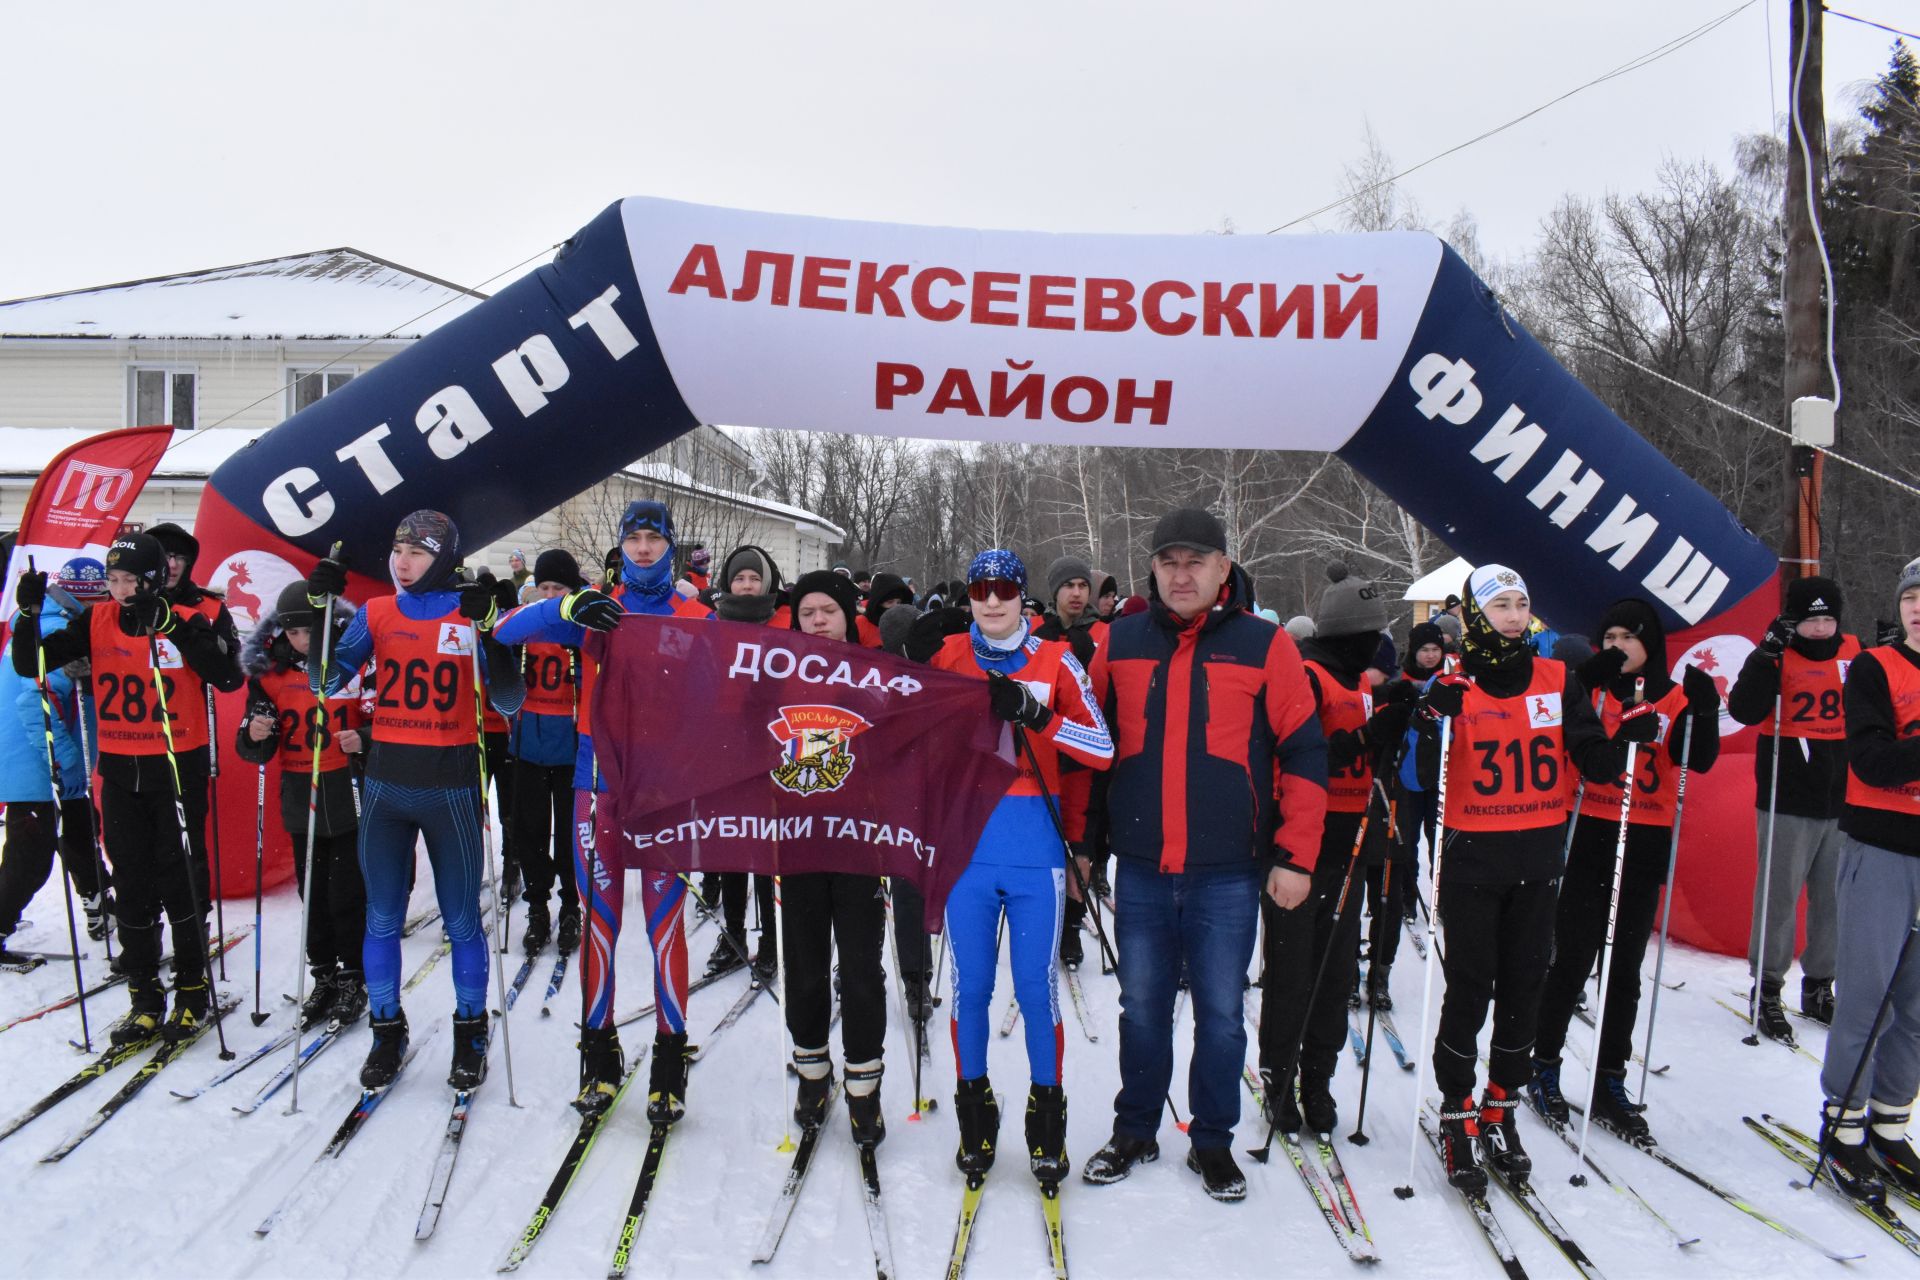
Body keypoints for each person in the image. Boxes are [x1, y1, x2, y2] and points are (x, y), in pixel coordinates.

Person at [1079, 508, 1327, 1203]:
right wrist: (1084, 847)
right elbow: (1093, 753)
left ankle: (1212, 1143)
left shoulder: (1265, 644)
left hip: (1229, 871)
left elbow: (1305, 748)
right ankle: (1135, 1130)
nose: (1181, 574)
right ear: (1152, 570)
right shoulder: (1119, 640)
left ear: (1223, 568)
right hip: (1144, 869)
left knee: (1220, 1013)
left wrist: (1296, 856)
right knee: (1141, 1007)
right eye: (1168, 562)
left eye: (1196, 562)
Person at [1403, 565, 1635, 1194]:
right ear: (1477, 615)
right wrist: (1430, 719)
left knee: (1526, 986)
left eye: (1522, 603)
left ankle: (1501, 1103)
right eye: (1500, 604)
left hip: (1537, 860)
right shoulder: (1452, 683)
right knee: (1472, 985)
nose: (1513, 615)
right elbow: (1422, 774)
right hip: (1474, 860)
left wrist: (1618, 747)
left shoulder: (1556, 678)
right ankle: (1456, 1105)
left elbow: (1587, 747)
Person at [494, 499, 709, 1120]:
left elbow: (725, 694)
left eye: (654, 538)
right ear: (621, 544)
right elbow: (505, 630)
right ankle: (600, 1055)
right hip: (597, 782)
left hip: (664, 787)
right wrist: (565, 605)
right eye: (633, 538)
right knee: (600, 921)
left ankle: (670, 1061)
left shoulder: (693, 613)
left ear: (670, 545)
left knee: (665, 922)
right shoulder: (593, 608)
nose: (644, 548)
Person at [305, 510, 521, 1091]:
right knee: (381, 917)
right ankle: (386, 1031)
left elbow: (506, 700)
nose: (403, 563)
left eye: (418, 553)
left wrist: (495, 631)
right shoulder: (376, 611)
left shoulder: (466, 610)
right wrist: (321, 613)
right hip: (385, 784)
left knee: (459, 919)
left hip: (450, 786)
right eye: (398, 551)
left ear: (444, 558)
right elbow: (323, 682)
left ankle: (470, 1032)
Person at [930, 549, 1113, 1186]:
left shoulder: (1056, 658)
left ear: (1022, 597)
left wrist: (1041, 715)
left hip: (1036, 851)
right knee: (971, 987)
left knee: (1036, 991)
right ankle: (974, 1117)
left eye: (1005, 588)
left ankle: (1046, 1124)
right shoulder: (950, 655)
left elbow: (1102, 747)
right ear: (971, 598)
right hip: (968, 851)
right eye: (981, 588)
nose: (992, 600)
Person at [12, 534, 236, 1043]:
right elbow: (33, 665)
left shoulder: (186, 618)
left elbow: (225, 676)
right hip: (118, 769)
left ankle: (193, 991)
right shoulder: (96, 620)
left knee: (180, 878)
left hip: (177, 768)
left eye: (130, 581)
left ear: (153, 581)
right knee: (132, 883)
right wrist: (27, 615)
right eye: (112, 580)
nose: (119, 590)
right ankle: (143, 996)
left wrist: (174, 626)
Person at [1529, 597, 1721, 1141]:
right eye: (1608, 639)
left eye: (1627, 639)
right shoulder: (1590, 691)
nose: (1616, 650)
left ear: (1649, 643)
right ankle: (1543, 1064)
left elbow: (1695, 758)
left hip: (1646, 832)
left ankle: (1610, 1076)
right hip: (1591, 826)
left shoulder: (1674, 695)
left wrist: (1703, 709)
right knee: (1573, 955)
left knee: (1625, 965)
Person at [1260, 565, 1411, 1136]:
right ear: (1350, 632)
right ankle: (1279, 1076)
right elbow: (1299, 758)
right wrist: (1368, 736)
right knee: (1292, 969)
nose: (1379, 644)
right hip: (1302, 839)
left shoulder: (1362, 684)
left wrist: (1390, 729)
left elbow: (1371, 759)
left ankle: (1317, 1080)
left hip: (1353, 839)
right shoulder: (1310, 676)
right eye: (1371, 633)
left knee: (1335, 970)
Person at [1817, 555, 1920, 1200]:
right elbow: (1874, 760)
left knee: (1915, 1004)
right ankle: (1843, 1121)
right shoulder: (1874, 669)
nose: (1917, 609)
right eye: (1912, 598)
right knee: (1867, 996)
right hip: (1880, 848)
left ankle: (1889, 1119)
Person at [782, 569, 891, 1148]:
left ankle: (864, 1084)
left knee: (860, 969)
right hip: (797, 839)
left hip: (858, 843)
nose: (818, 620)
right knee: (803, 964)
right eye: (807, 612)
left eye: (828, 609)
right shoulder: (774, 670)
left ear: (849, 614)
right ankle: (812, 1073)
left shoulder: (877, 672)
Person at [1727, 576, 1858, 1037]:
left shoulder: (1853, 654)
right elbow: (1743, 709)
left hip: (1841, 796)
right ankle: (1767, 986)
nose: (1820, 629)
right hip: (1788, 794)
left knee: (1834, 897)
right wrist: (1764, 656)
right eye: (1810, 621)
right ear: (1792, 621)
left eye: (1827, 620)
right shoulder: (1778, 654)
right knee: (1779, 896)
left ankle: (1820, 983)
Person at [237, 581, 371, 1029]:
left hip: (347, 788)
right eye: (294, 634)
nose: (303, 642)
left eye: (311, 632)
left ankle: (354, 974)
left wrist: (364, 739)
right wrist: (255, 734)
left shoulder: (354, 666)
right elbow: (254, 744)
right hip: (301, 793)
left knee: (347, 892)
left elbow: (380, 720)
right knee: (311, 892)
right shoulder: (270, 675)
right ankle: (325, 974)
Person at [0, 588, 107, 954]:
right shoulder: (55, 632)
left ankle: (100, 905)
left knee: (80, 831)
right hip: (37, 768)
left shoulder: (42, 623)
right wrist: (67, 761)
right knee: (29, 856)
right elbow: (34, 702)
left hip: (48, 765)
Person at [705, 545, 784, 980]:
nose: (747, 586)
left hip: (773, 751)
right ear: (728, 583)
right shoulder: (712, 625)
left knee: (767, 852)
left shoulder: (784, 624)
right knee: (731, 846)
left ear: (767, 583)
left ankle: (772, 941)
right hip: (724, 750)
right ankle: (734, 935)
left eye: (755, 579)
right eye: (740, 579)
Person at [507, 550, 587, 957]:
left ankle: (572, 905)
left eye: (560, 588)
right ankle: (538, 907)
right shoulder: (526, 625)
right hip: (529, 745)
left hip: (572, 748)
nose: (552, 595)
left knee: (571, 834)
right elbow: (495, 657)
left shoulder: (582, 627)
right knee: (530, 832)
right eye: (545, 587)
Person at [1035, 554, 1107, 967]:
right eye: (1069, 586)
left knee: (1082, 841)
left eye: (1083, 586)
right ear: (1055, 592)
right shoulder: (1039, 636)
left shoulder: (1100, 634)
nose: (1077, 593)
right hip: (1047, 752)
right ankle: (1045, 923)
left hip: (1085, 755)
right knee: (1048, 841)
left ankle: (1072, 928)